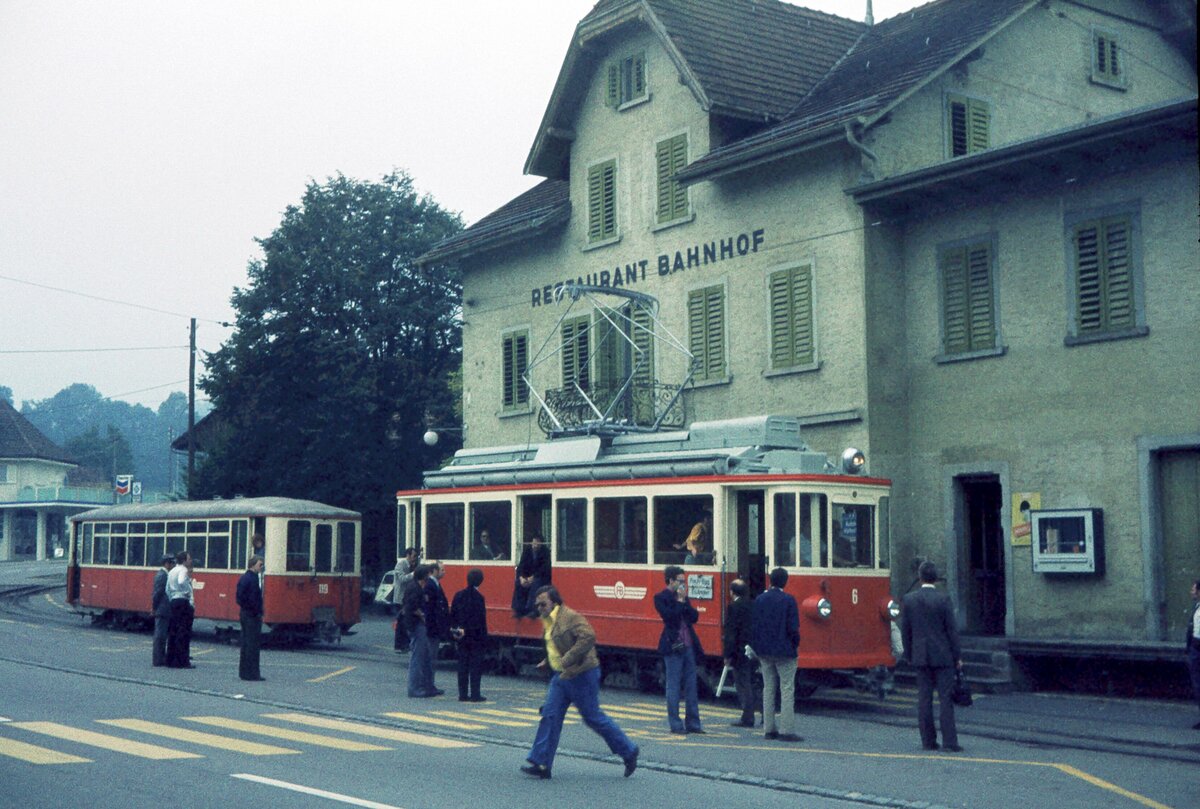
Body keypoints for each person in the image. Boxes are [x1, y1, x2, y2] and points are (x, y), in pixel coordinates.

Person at [521, 585, 639, 780]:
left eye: (543, 604)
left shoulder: (570, 617)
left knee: (592, 717)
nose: (539, 608)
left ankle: (629, 751)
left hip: (582, 674)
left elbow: (588, 637)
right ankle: (542, 762)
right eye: (537, 605)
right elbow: (555, 644)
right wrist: (548, 661)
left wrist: (568, 658)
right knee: (550, 715)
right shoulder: (548, 619)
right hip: (560, 677)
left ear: (554, 602)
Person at [900, 560, 963, 752]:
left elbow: (906, 631)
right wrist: (957, 656)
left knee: (924, 699)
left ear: (919, 578)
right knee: (945, 699)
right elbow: (951, 631)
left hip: (920, 655)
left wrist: (909, 654)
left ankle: (928, 741)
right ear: (935, 578)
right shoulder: (943, 599)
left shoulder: (909, 599)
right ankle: (950, 743)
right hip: (943, 655)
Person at [751, 567, 802, 742]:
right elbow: (793, 628)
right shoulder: (788, 600)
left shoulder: (760, 599)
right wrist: (795, 645)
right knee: (787, 689)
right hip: (785, 651)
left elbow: (755, 626)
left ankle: (769, 729)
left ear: (770, 580)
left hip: (765, 652)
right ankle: (786, 730)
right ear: (785, 582)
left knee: (769, 688)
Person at [654, 565, 704, 734]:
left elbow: (694, 617)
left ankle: (693, 723)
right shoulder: (661, 597)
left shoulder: (683, 597)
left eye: (684, 581)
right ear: (671, 581)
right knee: (673, 685)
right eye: (680, 581)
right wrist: (680, 602)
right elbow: (670, 617)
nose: (684, 584)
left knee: (691, 684)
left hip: (688, 643)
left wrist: (685, 602)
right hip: (673, 644)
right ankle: (675, 724)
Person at [402, 564, 441, 698]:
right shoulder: (416, 589)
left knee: (421, 656)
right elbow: (412, 606)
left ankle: (422, 686)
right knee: (417, 657)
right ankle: (414, 688)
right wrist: (423, 616)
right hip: (417, 625)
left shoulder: (413, 586)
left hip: (414, 625)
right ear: (424, 576)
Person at [722, 578, 757, 727]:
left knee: (742, 684)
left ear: (732, 592)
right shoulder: (752, 605)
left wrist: (727, 654)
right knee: (751, 681)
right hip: (753, 649)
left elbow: (731, 633)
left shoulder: (733, 607)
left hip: (739, 651)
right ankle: (761, 714)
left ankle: (747, 717)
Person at [450, 568, 489, 702]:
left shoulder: (458, 595)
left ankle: (462, 694)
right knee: (475, 666)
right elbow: (481, 620)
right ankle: (475, 694)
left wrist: (456, 629)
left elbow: (453, 614)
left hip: (461, 635)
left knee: (462, 665)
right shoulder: (479, 598)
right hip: (476, 636)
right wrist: (485, 637)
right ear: (480, 582)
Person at [236, 555, 265, 681]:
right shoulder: (252, 579)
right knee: (252, 645)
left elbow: (239, 597)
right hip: (251, 615)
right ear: (253, 565)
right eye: (260, 564)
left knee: (246, 644)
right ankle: (252, 673)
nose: (262, 567)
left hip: (245, 613)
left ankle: (245, 672)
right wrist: (256, 610)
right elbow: (252, 598)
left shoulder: (244, 577)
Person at [165, 551, 195, 668]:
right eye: (189, 559)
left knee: (173, 631)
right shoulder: (183, 570)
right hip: (182, 601)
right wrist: (186, 592)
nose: (190, 561)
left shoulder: (172, 571)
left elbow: (167, 589)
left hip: (173, 601)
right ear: (184, 560)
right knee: (183, 632)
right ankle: (182, 661)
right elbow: (181, 581)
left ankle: (170, 660)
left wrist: (172, 598)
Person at [513, 534, 551, 617]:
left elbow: (544, 569)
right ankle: (519, 609)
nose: (535, 546)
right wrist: (521, 577)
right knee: (518, 583)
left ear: (541, 543)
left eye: (537, 543)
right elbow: (521, 566)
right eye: (533, 543)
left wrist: (533, 578)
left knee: (536, 584)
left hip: (541, 577)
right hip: (527, 576)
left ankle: (532, 610)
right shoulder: (527, 551)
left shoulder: (545, 552)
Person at [392, 546, 420, 651]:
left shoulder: (413, 565)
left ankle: (405, 643)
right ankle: (399, 645)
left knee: (405, 622)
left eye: (416, 557)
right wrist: (413, 573)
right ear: (407, 555)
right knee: (401, 622)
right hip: (400, 598)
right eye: (413, 556)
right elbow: (402, 579)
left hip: (408, 598)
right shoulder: (401, 564)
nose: (414, 559)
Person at [151, 554, 175, 667]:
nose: (173, 565)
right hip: (162, 609)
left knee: (162, 635)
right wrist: (154, 608)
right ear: (166, 563)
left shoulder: (165, 575)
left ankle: (160, 658)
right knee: (160, 635)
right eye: (171, 563)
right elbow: (157, 593)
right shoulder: (162, 575)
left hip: (163, 609)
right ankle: (158, 660)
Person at [1187, 579, 1200, 729]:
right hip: (1195, 648)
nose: (1191, 592)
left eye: (1193, 589)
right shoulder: (1196, 607)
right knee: (1197, 685)